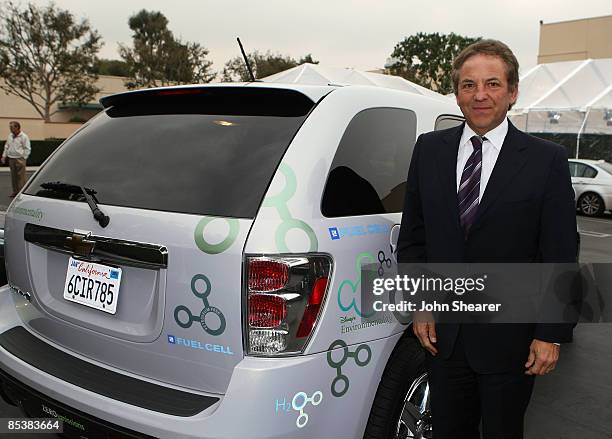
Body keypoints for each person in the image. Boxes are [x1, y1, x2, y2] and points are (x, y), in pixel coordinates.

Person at [397, 39, 577, 439]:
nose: (480, 95)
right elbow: (413, 238)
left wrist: (550, 333)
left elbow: (561, 253)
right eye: (468, 85)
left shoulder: (547, 160)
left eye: (493, 84)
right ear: (457, 93)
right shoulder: (429, 150)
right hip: (444, 338)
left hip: (511, 341)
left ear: (512, 92)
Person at [2, 121, 31, 197]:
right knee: (13, 176)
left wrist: (24, 158)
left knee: (21, 177)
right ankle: (15, 192)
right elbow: (6, 146)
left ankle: (21, 193)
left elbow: (27, 148)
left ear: (17, 127)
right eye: (10, 127)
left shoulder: (24, 136)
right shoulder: (10, 136)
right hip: (11, 158)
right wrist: (4, 156)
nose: (10, 129)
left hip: (20, 159)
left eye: (12, 127)